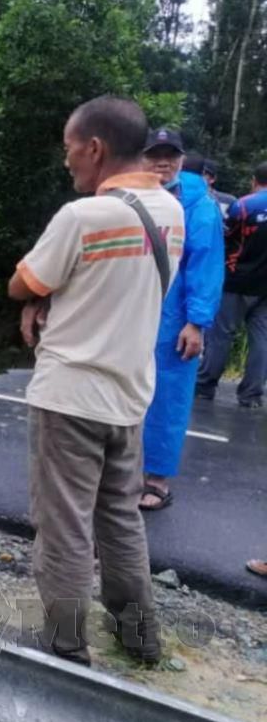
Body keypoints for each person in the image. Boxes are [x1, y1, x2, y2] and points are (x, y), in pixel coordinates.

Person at [8, 96, 183, 666]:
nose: (67, 162)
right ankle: (139, 639)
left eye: (68, 149)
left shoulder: (82, 217)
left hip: (69, 398)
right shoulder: (172, 212)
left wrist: (38, 298)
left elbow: (23, 281)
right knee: (121, 521)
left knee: (63, 528)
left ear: (95, 148)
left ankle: (66, 646)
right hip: (130, 397)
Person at [137, 130, 224, 511]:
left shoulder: (197, 205)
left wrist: (197, 322)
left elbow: (206, 266)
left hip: (173, 316)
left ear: (181, 158)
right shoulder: (132, 194)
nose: (163, 162)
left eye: (170, 155)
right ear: (141, 157)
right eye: (155, 154)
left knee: (167, 396)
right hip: (132, 310)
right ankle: (124, 471)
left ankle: (156, 479)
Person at [196, 162, 267, 408]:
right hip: (264, 287)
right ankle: (252, 394)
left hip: (236, 281)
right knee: (262, 339)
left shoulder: (245, 205)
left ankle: (205, 386)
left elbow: (225, 237)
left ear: (254, 180)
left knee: (221, 335)